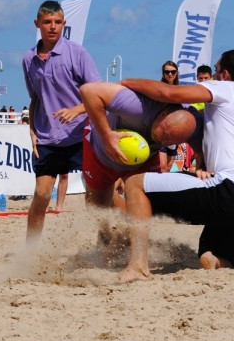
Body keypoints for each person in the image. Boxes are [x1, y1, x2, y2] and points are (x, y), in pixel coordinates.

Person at [117, 49, 234, 279]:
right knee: (209, 257)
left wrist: (126, 83)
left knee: (135, 185)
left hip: (232, 192)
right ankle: (221, 262)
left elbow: (169, 92)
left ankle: (137, 266)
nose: (213, 76)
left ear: (226, 75)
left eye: (216, 70)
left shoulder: (228, 88)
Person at [79, 81, 200, 243]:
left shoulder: (192, 124)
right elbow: (88, 90)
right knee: (97, 206)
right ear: (163, 115)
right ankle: (104, 235)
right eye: (165, 134)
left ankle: (129, 242)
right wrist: (107, 135)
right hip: (102, 151)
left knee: (144, 203)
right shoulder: (136, 106)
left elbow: (204, 146)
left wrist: (202, 166)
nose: (164, 141)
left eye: (171, 141)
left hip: (145, 158)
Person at [22, 0, 102, 242]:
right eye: (47, 22)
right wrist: (32, 130)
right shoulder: (28, 59)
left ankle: (115, 238)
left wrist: (77, 110)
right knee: (41, 194)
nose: (53, 27)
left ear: (64, 24)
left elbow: (99, 93)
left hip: (81, 133)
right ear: (37, 24)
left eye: (57, 22)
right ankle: (30, 249)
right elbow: (35, 98)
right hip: (48, 137)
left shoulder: (78, 53)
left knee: (97, 195)